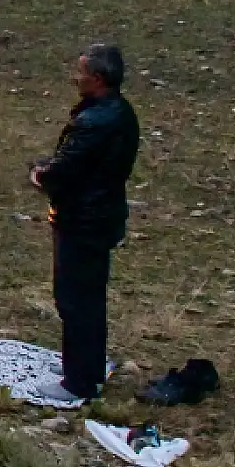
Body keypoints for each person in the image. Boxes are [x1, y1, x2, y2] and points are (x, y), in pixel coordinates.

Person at [29, 44, 139, 403]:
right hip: (101, 216)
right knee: (90, 297)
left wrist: (41, 174)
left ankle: (78, 382)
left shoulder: (93, 122)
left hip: (82, 221)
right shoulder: (121, 113)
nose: (75, 77)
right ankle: (86, 368)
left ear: (96, 78)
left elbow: (67, 169)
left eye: (81, 72)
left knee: (75, 300)